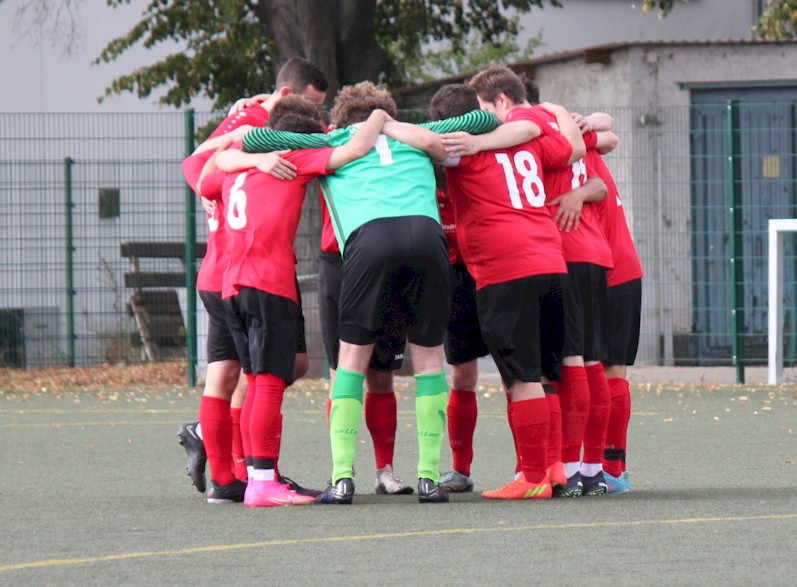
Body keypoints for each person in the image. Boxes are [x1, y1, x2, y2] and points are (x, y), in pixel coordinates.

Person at [242, 81, 501, 504]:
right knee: (430, 360)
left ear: (342, 118)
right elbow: (484, 118)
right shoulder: (419, 136)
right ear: (388, 113)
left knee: (352, 361)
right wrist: (392, 124)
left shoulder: (332, 138)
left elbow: (257, 137)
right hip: (427, 238)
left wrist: (366, 125)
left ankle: (342, 478)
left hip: (370, 241)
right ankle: (429, 479)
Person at [201, 95, 389, 507]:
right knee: (268, 383)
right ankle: (263, 482)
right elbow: (355, 150)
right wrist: (378, 116)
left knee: (255, 382)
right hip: (268, 282)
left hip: (230, 284)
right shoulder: (296, 155)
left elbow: (206, 178)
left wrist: (248, 154)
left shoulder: (242, 160)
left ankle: (251, 477)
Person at [406, 82, 583, 499]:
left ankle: (534, 476)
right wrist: (553, 111)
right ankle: (554, 467)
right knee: (543, 373)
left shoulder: (459, 145)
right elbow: (569, 150)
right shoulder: (529, 137)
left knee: (521, 377)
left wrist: (382, 122)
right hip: (551, 261)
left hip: (506, 267)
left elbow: (424, 142)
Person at [175, 57, 328, 503]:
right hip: (239, 265)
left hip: (234, 268)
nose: (317, 116)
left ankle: (232, 468)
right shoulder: (252, 121)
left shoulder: (265, 129)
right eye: (312, 105)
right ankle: (254, 473)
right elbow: (199, 167)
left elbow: (211, 168)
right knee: (259, 374)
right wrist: (243, 150)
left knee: (266, 370)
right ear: (284, 96)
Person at [467, 65, 613, 497]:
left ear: (502, 102)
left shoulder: (522, 128)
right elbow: (603, 142)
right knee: (582, 363)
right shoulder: (555, 122)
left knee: (555, 368)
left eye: (483, 109)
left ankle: (560, 467)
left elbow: (592, 149)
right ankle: (588, 468)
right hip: (579, 251)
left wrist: (478, 140)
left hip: (555, 250)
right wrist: (571, 116)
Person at [576, 123, 643, 494]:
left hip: (601, 269)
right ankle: (613, 466)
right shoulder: (583, 143)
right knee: (613, 368)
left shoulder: (555, 153)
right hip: (624, 266)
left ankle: (596, 467)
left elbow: (609, 131)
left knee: (589, 368)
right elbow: (609, 132)